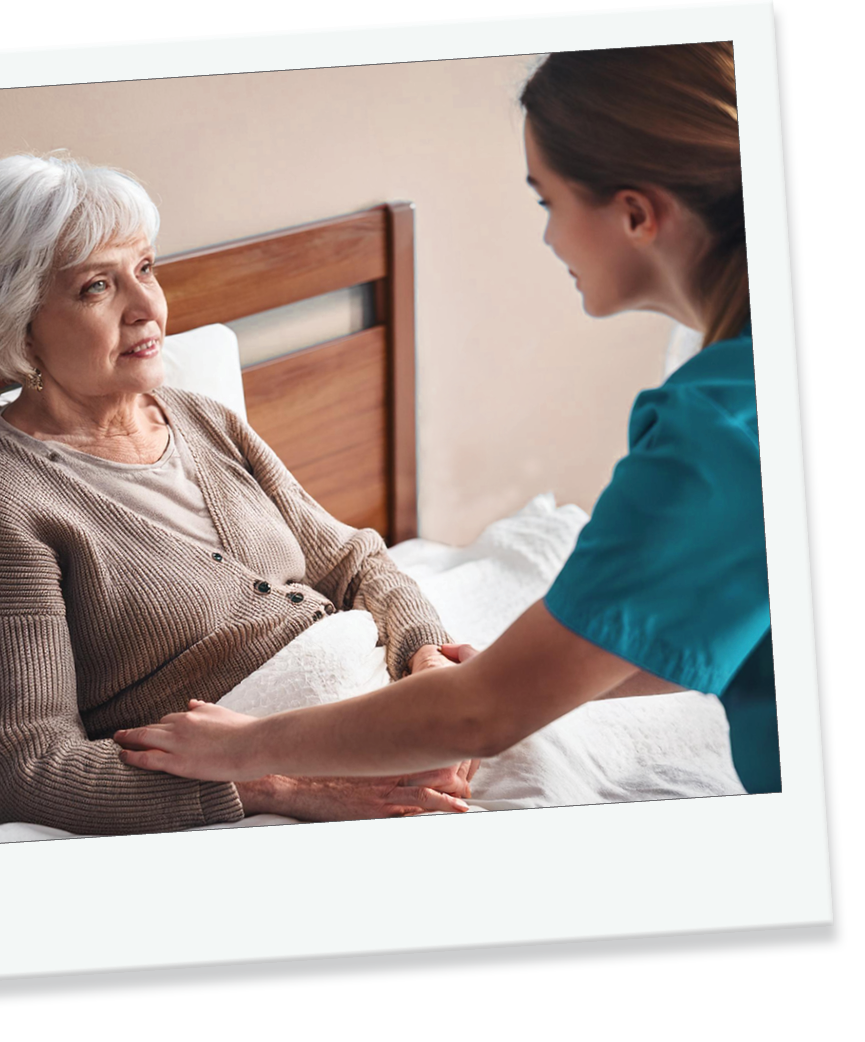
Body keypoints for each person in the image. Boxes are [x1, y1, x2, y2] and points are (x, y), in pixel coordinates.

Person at [114, 42, 780, 798]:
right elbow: (735, 617)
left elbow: (475, 711)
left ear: (634, 214)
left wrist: (246, 756)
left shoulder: (716, 429)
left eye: (546, 202)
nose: (548, 236)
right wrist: (536, 673)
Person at [0, 153, 477, 837]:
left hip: (388, 725)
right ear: (19, 318)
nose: (146, 308)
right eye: (97, 287)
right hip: (281, 787)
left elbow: (354, 562)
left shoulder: (201, 417)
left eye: (144, 269)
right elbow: (27, 762)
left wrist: (424, 656)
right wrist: (287, 789)